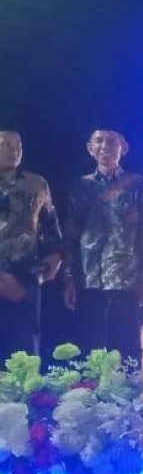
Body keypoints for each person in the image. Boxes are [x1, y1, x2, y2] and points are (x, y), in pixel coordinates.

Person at [62, 130, 143, 363]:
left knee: (127, 351)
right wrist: (68, 278)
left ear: (124, 148)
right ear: (90, 148)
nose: (105, 146)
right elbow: (70, 235)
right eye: (99, 141)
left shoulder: (137, 185)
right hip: (88, 281)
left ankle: (130, 388)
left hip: (128, 280)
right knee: (90, 352)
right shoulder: (80, 186)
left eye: (112, 142)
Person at [0, 131, 63, 362]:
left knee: (25, 349)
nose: (14, 150)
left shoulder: (36, 184)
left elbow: (50, 225)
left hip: (25, 276)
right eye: (6, 145)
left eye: (18, 145)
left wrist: (56, 256)